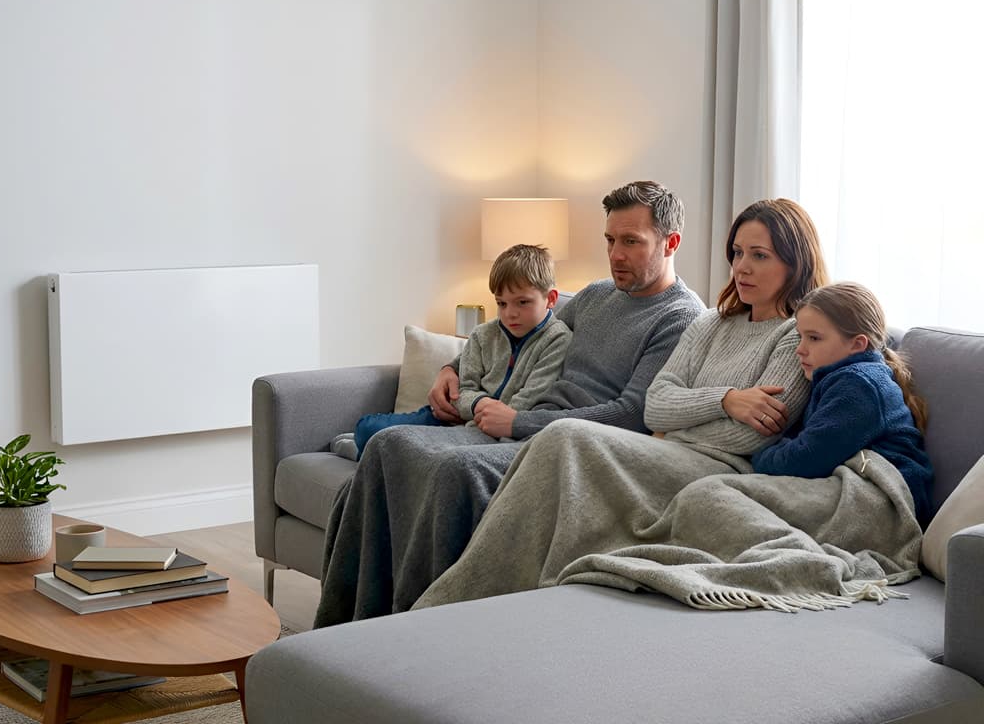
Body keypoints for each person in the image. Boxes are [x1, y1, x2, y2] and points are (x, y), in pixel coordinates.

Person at [313, 180, 705, 627]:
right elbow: (520, 330)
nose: (615, 254)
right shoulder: (598, 295)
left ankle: (415, 628)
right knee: (389, 445)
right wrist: (453, 370)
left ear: (670, 242)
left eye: (631, 242)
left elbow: (632, 414)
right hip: (525, 423)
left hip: (568, 447)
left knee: (453, 471)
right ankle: (347, 625)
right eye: (610, 240)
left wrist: (518, 422)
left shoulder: (679, 317)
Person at [414, 197, 830, 610]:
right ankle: (462, 599)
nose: (741, 266)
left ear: (794, 263)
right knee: (545, 440)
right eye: (737, 252)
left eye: (759, 255)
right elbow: (657, 406)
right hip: (664, 447)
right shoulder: (713, 323)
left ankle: (473, 601)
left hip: (714, 466)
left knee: (566, 435)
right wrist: (726, 399)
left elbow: (747, 436)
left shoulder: (796, 336)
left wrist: (696, 412)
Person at [347, 244, 572, 459]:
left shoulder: (557, 339)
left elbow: (531, 397)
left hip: (490, 429)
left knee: (403, 448)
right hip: (453, 419)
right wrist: (477, 405)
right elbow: (463, 389)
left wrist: (487, 419)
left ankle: (364, 453)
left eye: (522, 302)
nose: (510, 314)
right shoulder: (483, 335)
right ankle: (363, 449)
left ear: (551, 299)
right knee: (367, 428)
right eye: (502, 303)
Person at [751, 281, 933, 525]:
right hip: (856, 491)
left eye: (814, 338)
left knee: (718, 494)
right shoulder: (839, 377)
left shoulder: (859, 385)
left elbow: (808, 457)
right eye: (800, 337)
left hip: (885, 502)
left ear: (857, 344)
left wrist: (758, 456)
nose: (800, 350)